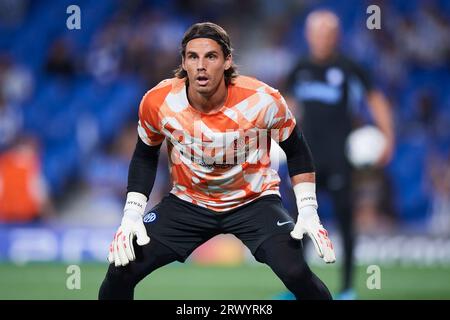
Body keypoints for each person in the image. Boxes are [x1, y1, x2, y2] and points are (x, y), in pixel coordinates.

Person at [99, 22, 336, 300]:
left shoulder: (262, 100)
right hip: (188, 203)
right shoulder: (158, 101)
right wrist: (131, 214)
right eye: (193, 57)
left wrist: (308, 209)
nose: (201, 66)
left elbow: (295, 149)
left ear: (227, 61)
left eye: (211, 56)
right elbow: (144, 154)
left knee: (296, 272)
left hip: (253, 201)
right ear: (183, 63)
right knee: (120, 270)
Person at [285, 10, 395, 299]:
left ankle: (347, 289)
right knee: (299, 224)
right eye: (317, 33)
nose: (322, 39)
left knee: (346, 221)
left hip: (340, 158)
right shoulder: (300, 67)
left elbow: (376, 100)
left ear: (337, 36)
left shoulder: (350, 68)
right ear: (308, 36)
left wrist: (388, 139)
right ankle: (298, 290)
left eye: (327, 33)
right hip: (305, 159)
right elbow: (287, 106)